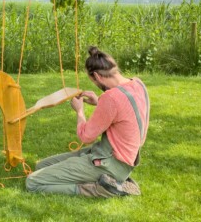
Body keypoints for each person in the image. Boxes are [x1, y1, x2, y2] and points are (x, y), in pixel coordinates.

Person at [26, 46, 150, 198]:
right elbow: (126, 111)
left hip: (110, 164)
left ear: (97, 76)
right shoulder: (138, 84)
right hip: (118, 159)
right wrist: (99, 101)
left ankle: (102, 188)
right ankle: (112, 180)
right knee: (41, 166)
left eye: (93, 80)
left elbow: (86, 137)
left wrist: (80, 111)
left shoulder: (111, 97)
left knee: (32, 182)